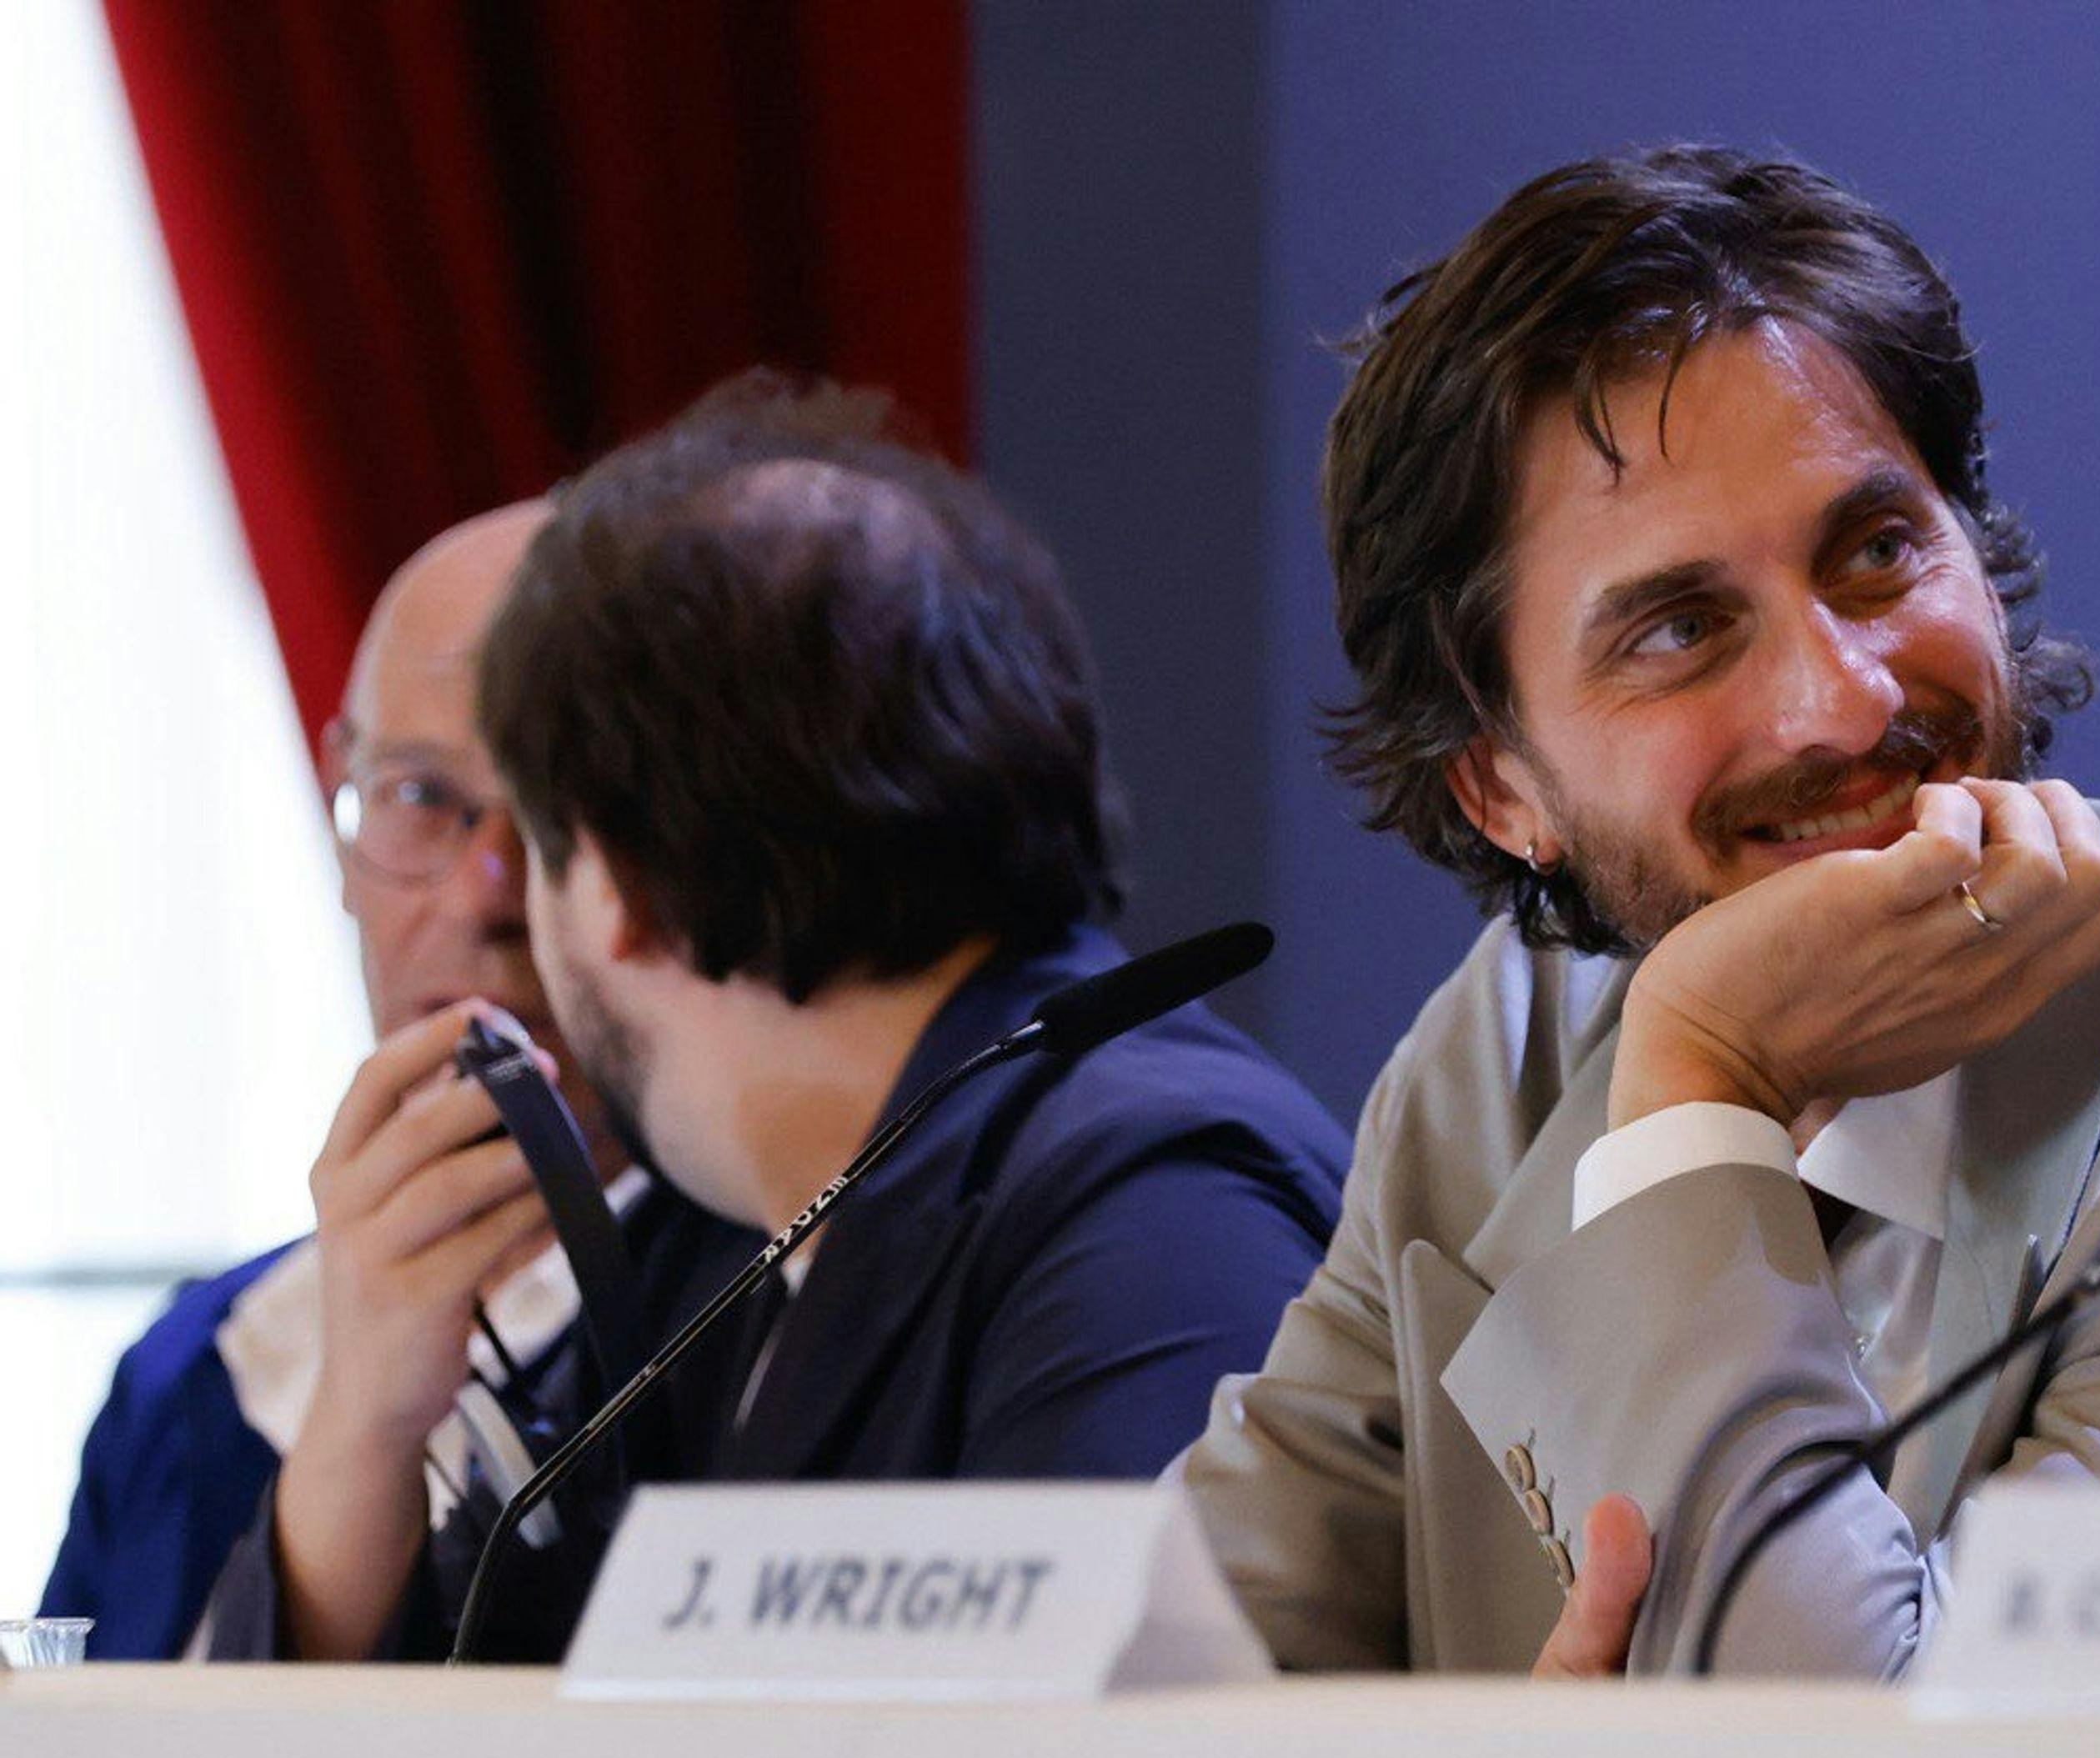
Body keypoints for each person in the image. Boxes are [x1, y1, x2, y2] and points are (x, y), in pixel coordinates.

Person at [1176, 145, 2100, 1675]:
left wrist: (1705, 1088)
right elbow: (1157, 1698)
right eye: (1684, 630)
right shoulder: (1501, 1051)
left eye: (1877, 552)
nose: (1841, 703)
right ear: (1499, 792)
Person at [205, 371, 1347, 1663]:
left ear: (618, 889)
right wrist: (367, 1422)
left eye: (533, 839)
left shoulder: (1158, 1212)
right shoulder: (730, 1242)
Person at [41, 501, 644, 1659]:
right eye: (419, 796)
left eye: (559, 816)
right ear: (340, 808)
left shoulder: (745, 1319)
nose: (485, 894)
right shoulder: (192, 1366)